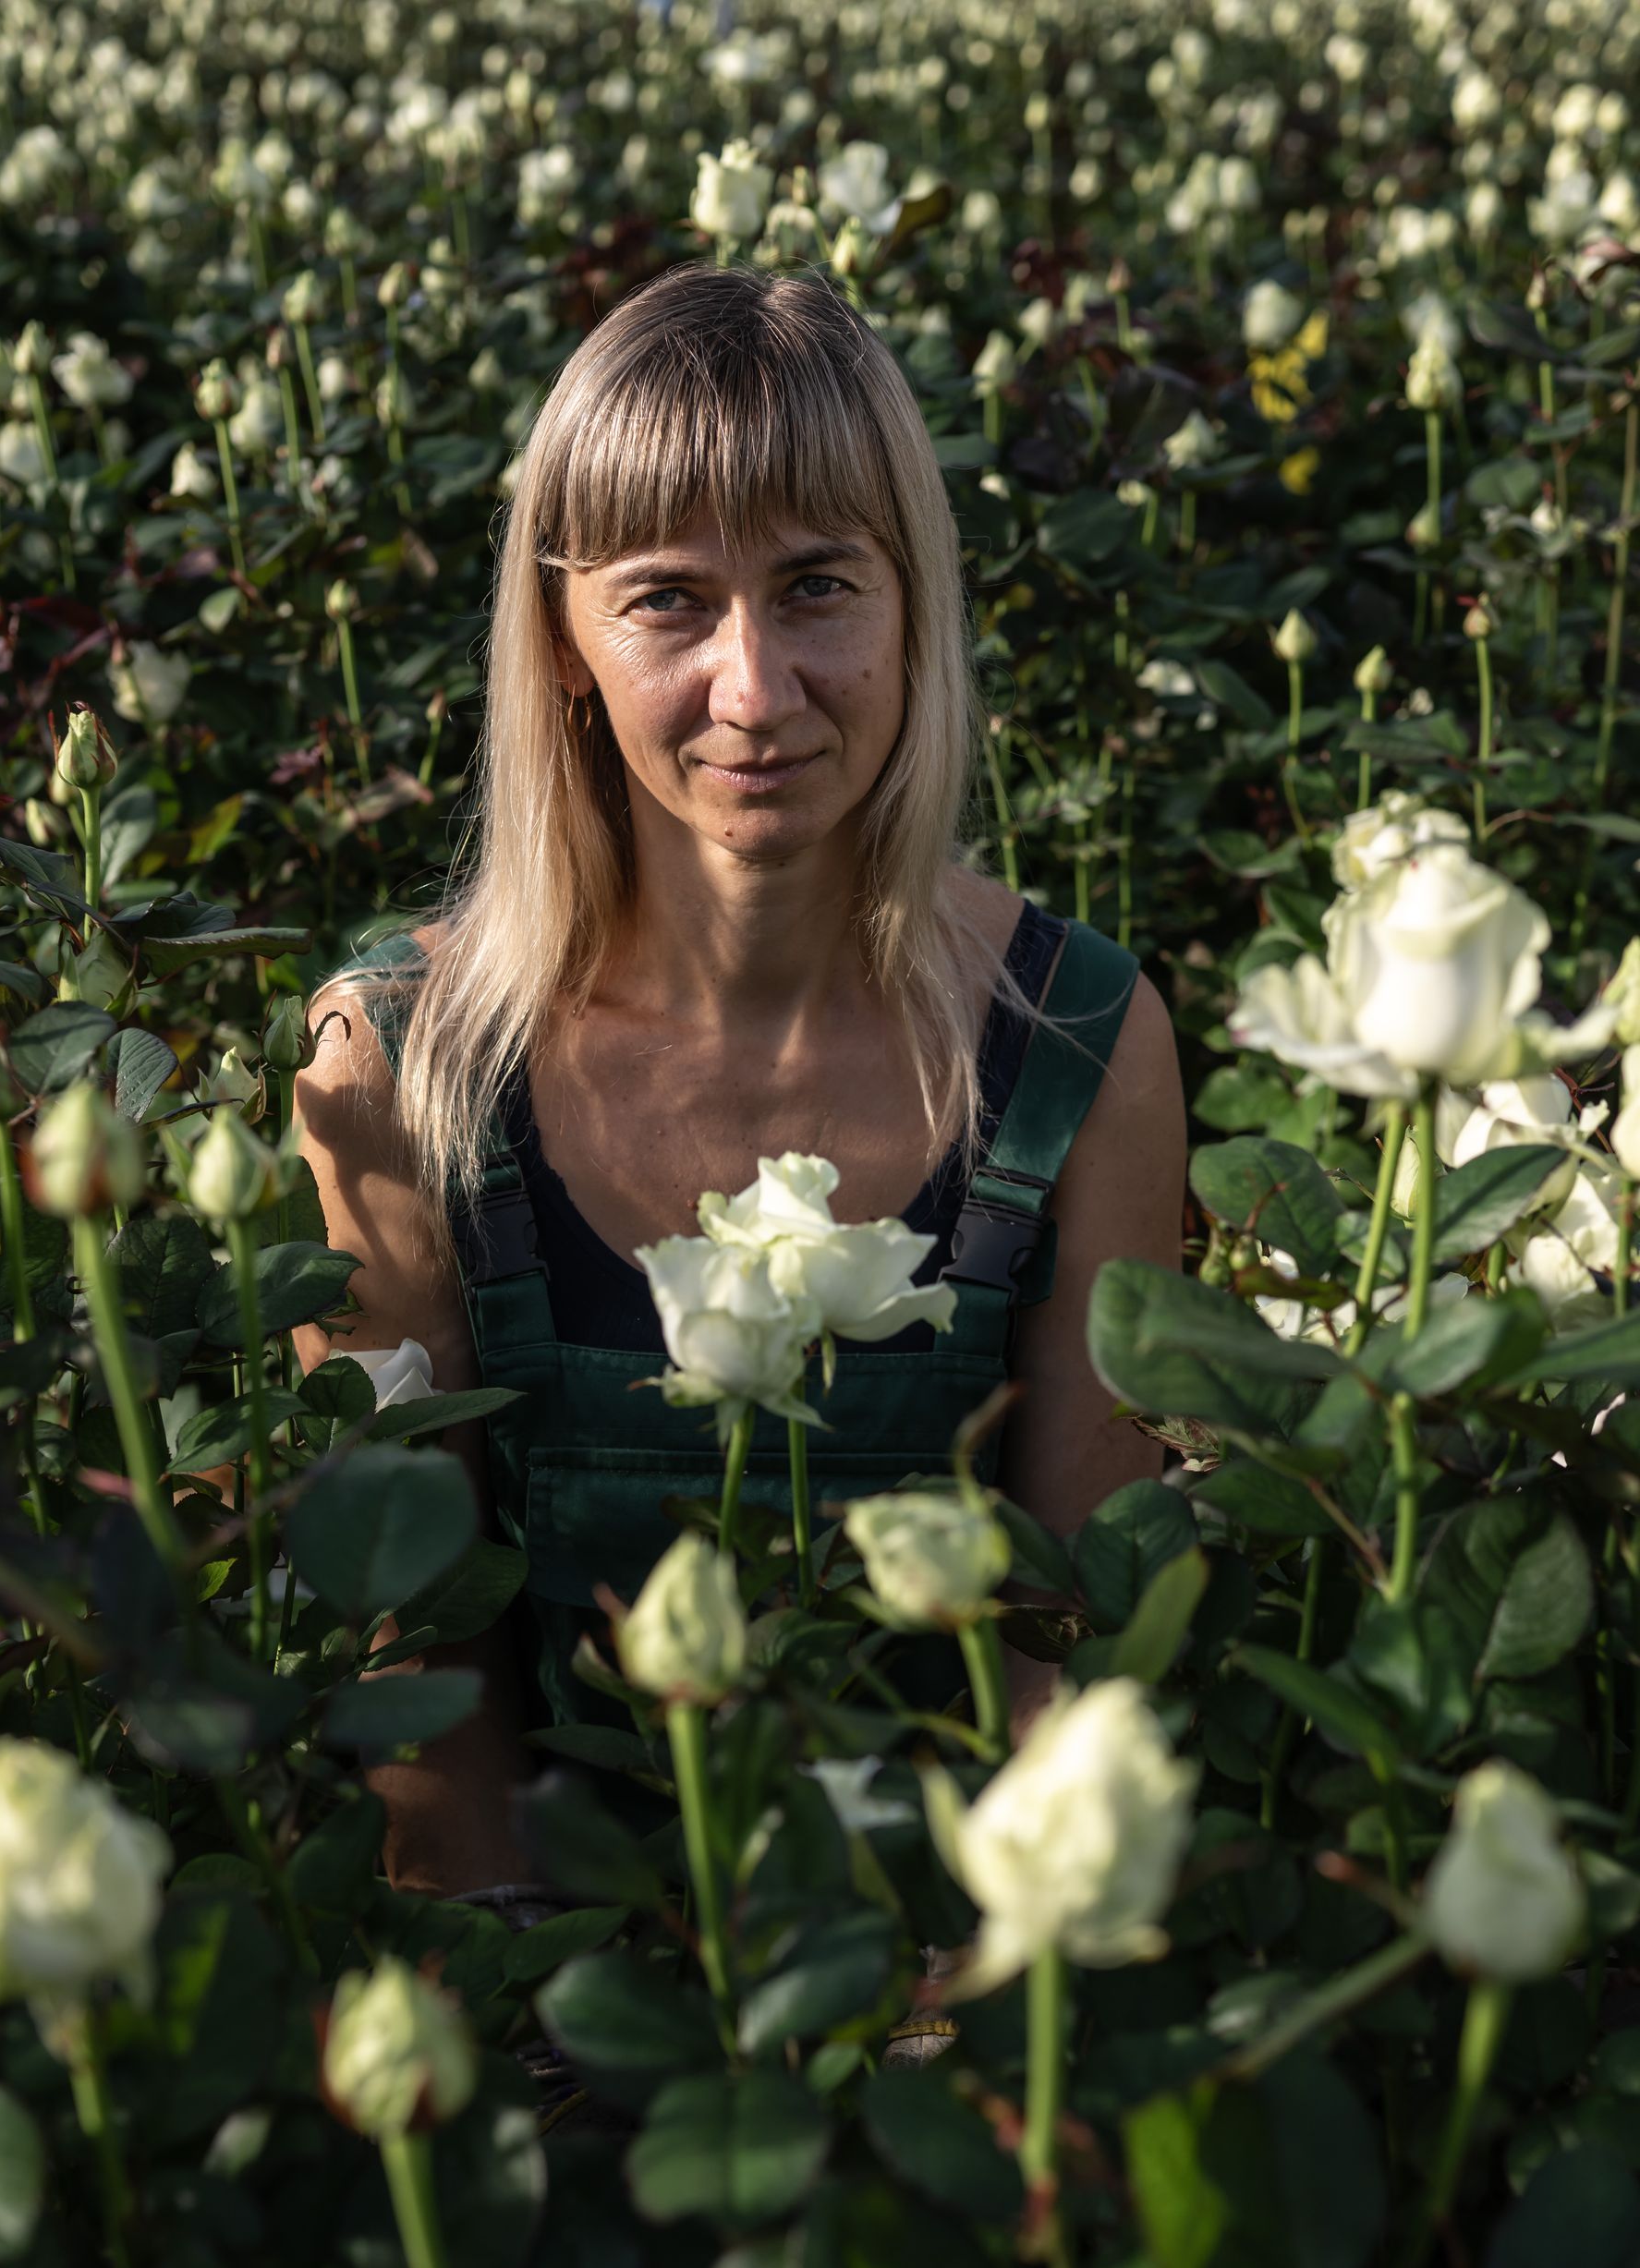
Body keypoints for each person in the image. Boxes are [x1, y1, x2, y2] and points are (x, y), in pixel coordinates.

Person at [291, 261, 1185, 1900]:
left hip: (968, 1994)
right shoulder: (398, 1069)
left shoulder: (1074, 1042)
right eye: (668, 598)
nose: (756, 690)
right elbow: (420, 1716)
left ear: (915, 602)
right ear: (563, 637)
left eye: (822, 586)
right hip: (558, 2020)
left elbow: (1074, 1650)